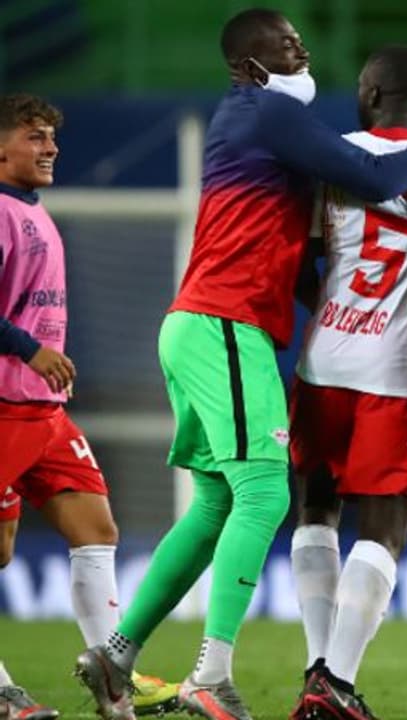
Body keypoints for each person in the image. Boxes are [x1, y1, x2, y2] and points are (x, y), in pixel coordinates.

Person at [73, 9, 407, 720]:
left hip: (201, 326)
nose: (301, 50)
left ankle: (116, 654)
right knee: (264, 496)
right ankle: (210, 676)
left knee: (217, 506)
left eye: (299, 40)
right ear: (250, 66)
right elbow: (376, 177)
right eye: (285, 45)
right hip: (226, 324)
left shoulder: (259, 120)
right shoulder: (267, 111)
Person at [285, 44, 407, 720]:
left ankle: (317, 670)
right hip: (399, 372)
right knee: (385, 527)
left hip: (323, 363)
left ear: (370, 93)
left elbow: (303, 261)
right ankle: (335, 681)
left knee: (316, 511)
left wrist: (332, 315)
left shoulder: (332, 156)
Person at [0, 93, 179, 720]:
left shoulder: (32, 209)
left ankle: (113, 679)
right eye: (34, 136)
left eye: (52, 136)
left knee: (96, 530)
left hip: (44, 413)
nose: (50, 147)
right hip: (4, 407)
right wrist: (31, 351)